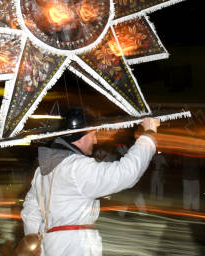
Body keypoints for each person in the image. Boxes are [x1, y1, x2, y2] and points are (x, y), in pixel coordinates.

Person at [20, 109, 160, 256]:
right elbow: (125, 173)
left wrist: (36, 242)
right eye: (93, 134)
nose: (95, 140)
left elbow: (30, 211)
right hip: (75, 246)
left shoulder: (42, 171)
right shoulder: (77, 167)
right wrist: (148, 134)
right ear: (80, 136)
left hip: (50, 244)